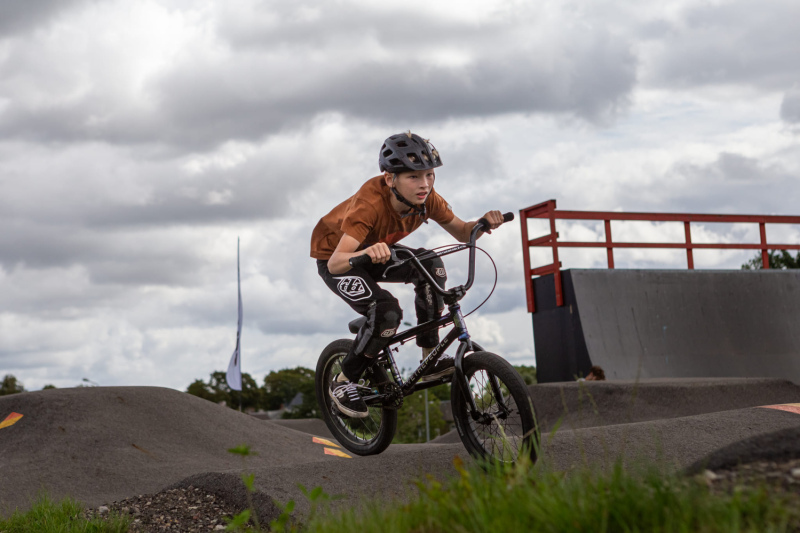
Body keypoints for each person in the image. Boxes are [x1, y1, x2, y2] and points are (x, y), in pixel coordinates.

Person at [310, 132, 506, 418]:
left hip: (377, 250)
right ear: (390, 179)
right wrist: (366, 252)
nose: (424, 184)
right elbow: (336, 264)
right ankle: (343, 382)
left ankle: (430, 359)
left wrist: (483, 223)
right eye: (413, 177)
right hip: (336, 256)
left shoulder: (428, 199)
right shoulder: (369, 205)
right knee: (387, 312)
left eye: (429, 175)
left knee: (431, 264)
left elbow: (463, 232)